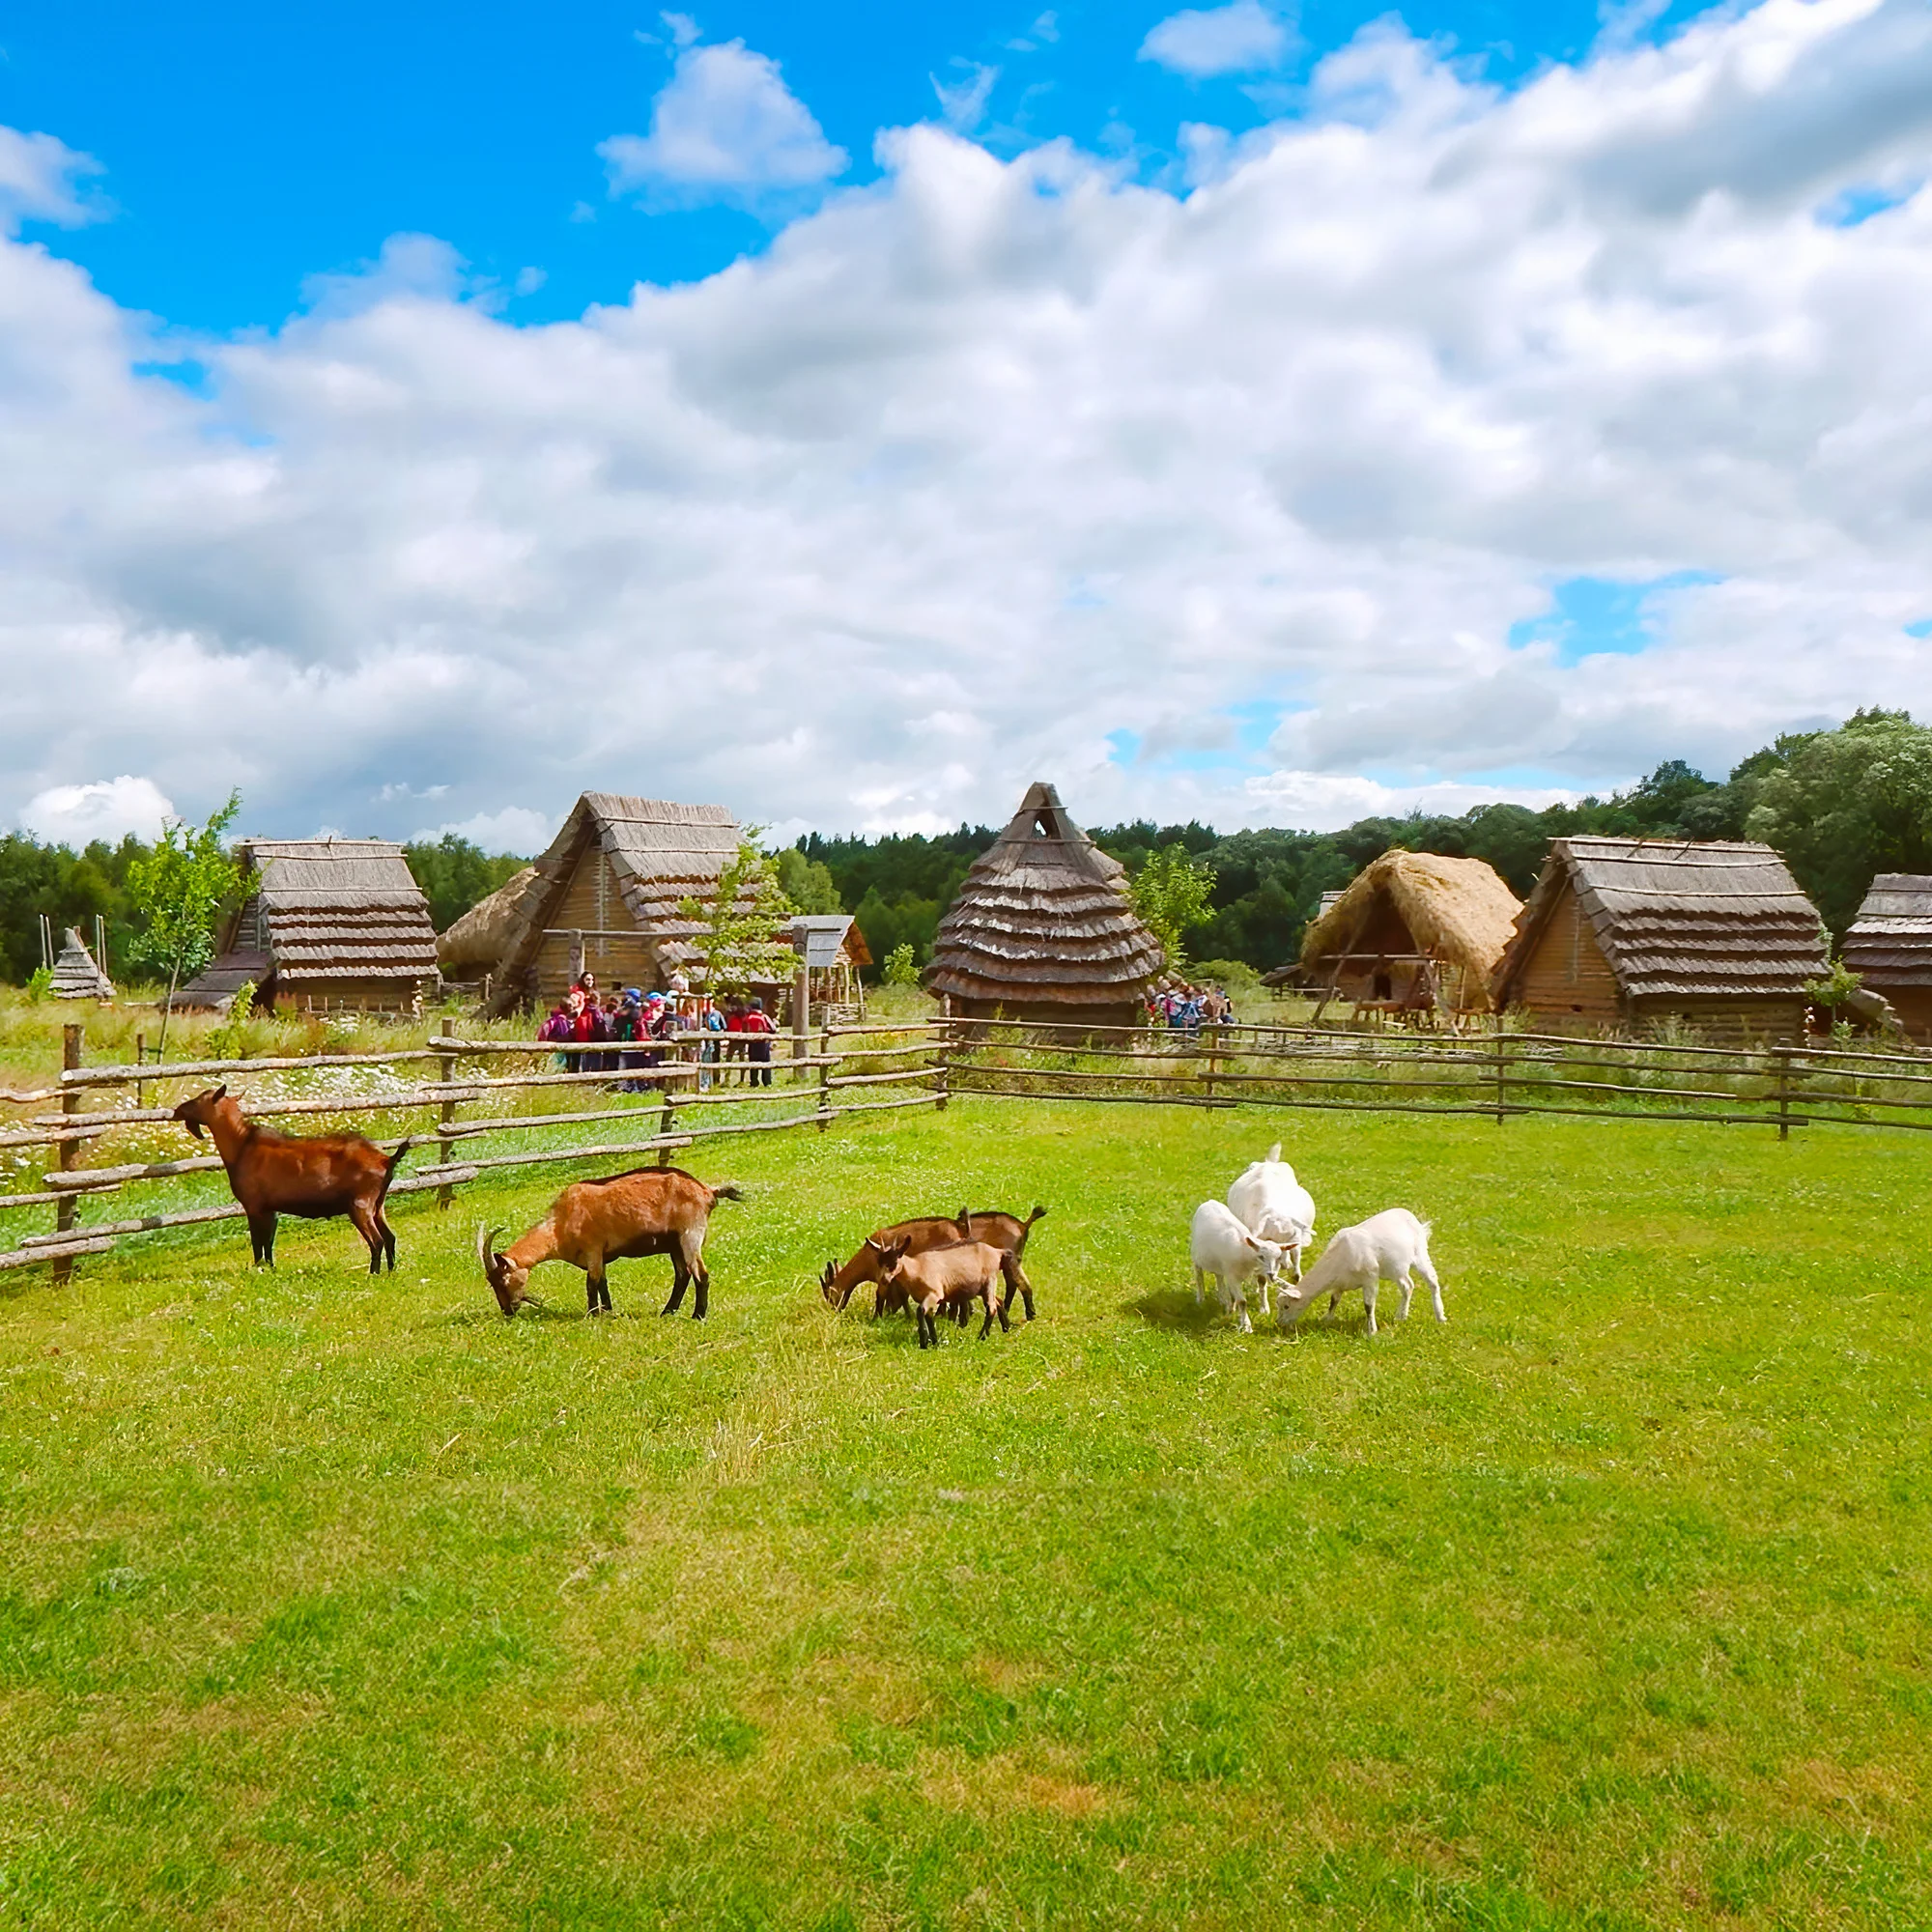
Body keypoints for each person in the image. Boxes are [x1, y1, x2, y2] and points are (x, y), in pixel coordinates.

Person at [740, 995, 776, 1088]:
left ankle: (754, 1082)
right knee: (766, 1063)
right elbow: (773, 1028)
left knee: (753, 1063)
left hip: (752, 1043)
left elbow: (743, 1029)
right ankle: (767, 1082)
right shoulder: (764, 1017)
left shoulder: (748, 1017)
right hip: (764, 1043)